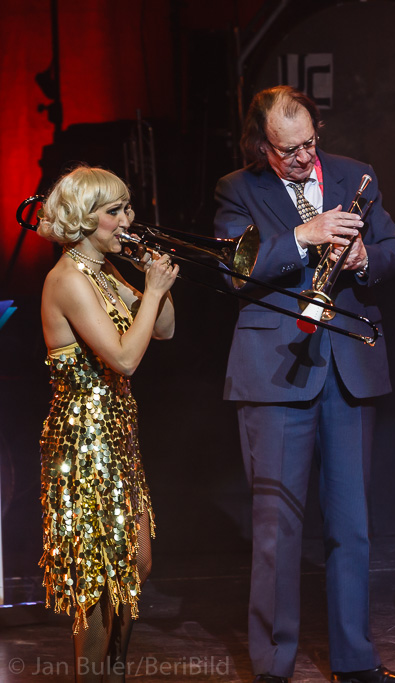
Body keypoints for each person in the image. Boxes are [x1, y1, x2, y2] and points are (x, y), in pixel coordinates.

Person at [213, 85, 395, 683]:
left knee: (351, 525)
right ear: (261, 146)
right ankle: (274, 665)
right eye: (287, 151)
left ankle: (355, 662)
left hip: (348, 366)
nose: (302, 159)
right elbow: (234, 272)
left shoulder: (357, 175)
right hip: (275, 373)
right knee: (278, 526)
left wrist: (362, 260)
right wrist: (306, 236)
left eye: (309, 146)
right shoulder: (237, 189)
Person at [37, 166, 177, 682]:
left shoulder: (102, 271)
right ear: (83, 218)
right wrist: (154, 289)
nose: (128, 219)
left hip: (117, 437)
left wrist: (152, 283)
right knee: (98, 581)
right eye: (115, 211)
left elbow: (163, 330)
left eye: (128, 207)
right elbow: (124, 359)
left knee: (133, 569)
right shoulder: (68, 278)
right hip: (84, 443)